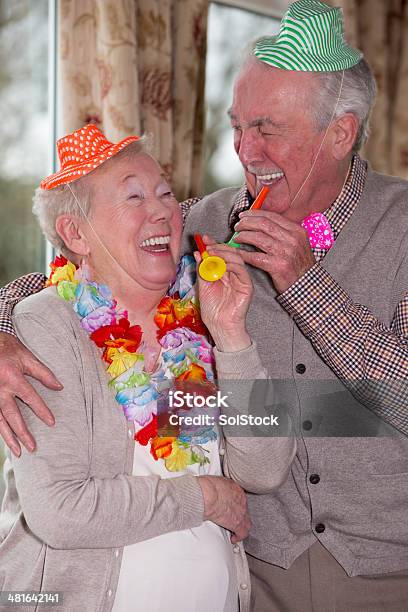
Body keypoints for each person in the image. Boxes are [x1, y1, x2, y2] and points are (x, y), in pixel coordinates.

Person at [0, 0, 407, 609]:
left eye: (269, 127)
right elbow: (72, 278)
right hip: (257, 571)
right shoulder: (205, 224)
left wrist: (305, 287)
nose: (247, 149)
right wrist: (3, 330)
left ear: (340, 132)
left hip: (383, 572)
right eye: (238, 126)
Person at [0, 125, 296, 612]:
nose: (162, 210)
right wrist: (205, 497)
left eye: (164, 193)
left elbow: (263, 472)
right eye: (133, 197)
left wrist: (232, 337)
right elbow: (60, 511)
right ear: (77, 233)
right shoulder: (46, 324)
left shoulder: (197, 321)